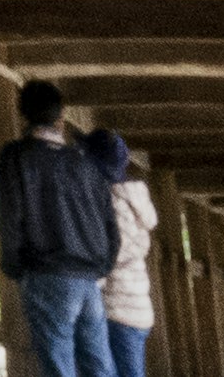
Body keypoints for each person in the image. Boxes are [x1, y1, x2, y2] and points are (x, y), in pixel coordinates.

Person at [0, 76, 125, 377]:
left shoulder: (15, 158)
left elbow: (8, 218)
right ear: (61, 119)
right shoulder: (85, 164)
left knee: (59, 366)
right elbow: (110, 225)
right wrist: (101, 266)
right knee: (100, 365)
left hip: (47, 274)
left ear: (22, 114)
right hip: (89, 278)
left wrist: (15, 267)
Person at [102, 142, 159, 377]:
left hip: (119, 306)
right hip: (135, 306)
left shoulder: (115, 204)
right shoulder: (135, 202)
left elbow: (114, 254)